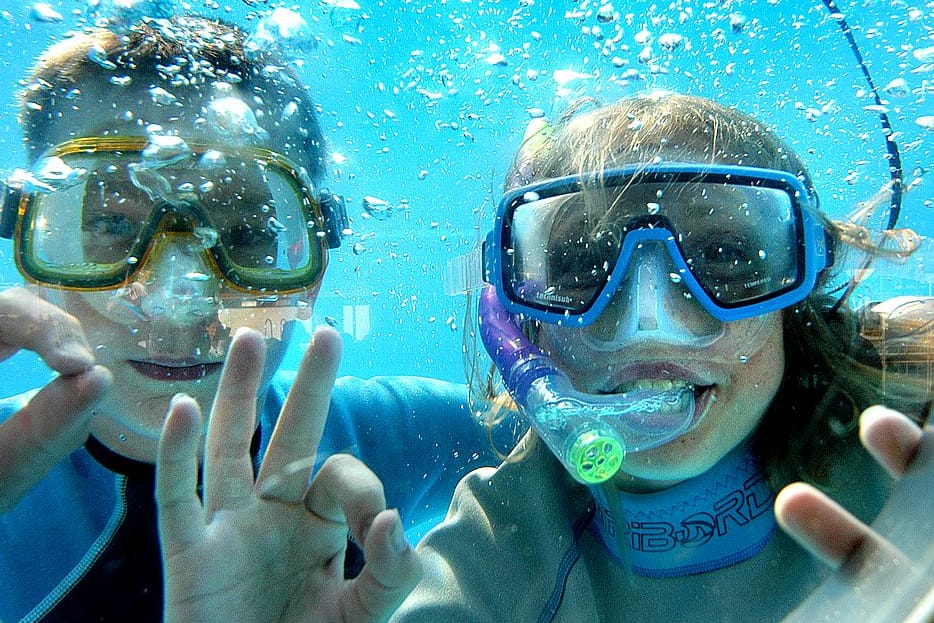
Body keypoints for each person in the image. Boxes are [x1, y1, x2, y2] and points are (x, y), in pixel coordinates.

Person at [0, 15, 497, 623]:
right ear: (32, 258)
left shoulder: (397, 430)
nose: (176, 302)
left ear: (311, 275)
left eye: (247, 233)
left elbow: (589, 443)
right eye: (110, 226)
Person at [387, 93, 934, 622]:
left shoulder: (910, 391)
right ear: (519, 324)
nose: (647, 324)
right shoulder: (497, 550)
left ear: (799, 285)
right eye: (582, 261)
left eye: (724, 254)